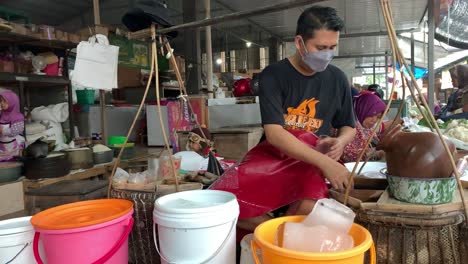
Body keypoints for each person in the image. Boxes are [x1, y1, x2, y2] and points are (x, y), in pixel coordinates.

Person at [210, 6, 356, 231]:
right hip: (274, 157)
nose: (327, 54)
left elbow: (348, 125)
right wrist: (327, 163)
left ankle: (285, 238)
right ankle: (277, 234)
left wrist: (340, 142)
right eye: (320, 47)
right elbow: (275, 134)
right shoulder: (274, 75)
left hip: (313, 160)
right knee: (220, 203)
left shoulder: (337, 78)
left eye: (332, 47)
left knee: (310, 208)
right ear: (299, 43)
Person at [341, 93, 386, 163]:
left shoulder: (366, 130)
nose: (374, 120)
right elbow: (349, 157)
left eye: (378, 117)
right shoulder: (348, 126)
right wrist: (377, 153)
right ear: (362, 109)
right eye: (372, 115)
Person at [0, 90, 25, 161]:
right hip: (3, 146)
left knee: (13, 162)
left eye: (4, 101)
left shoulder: (17, 117)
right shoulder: (1, 115)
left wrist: (2, 130)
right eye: (1, 101)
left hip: (14, 147)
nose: (2, 103)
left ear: (12, 101)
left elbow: (15, 131)